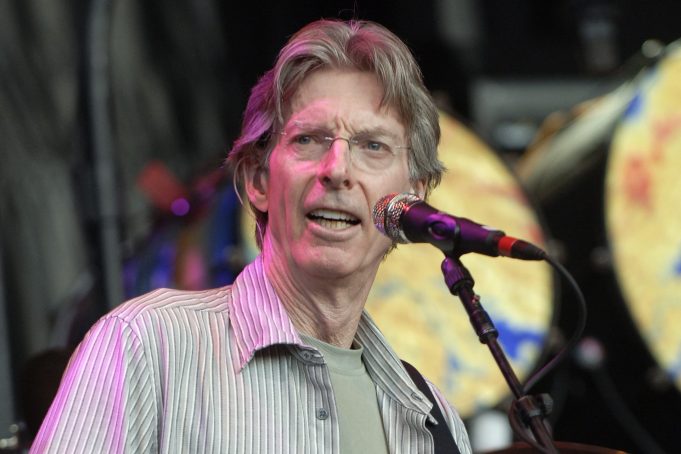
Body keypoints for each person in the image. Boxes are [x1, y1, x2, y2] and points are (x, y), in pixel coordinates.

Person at [31, 19, 472, 453]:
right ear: (258, 180)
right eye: (309, 139)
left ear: (411, 200)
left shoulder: (431, 418)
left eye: (373, 146)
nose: (337, 169)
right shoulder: (145, 345)